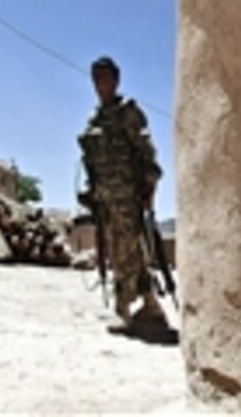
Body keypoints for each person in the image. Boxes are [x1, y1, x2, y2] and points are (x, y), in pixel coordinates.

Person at [77, 55, 167, 333]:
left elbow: (146, 151)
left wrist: (149, 186)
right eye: (96, 78)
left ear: (116, 80)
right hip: (104, 197)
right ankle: (151, 305)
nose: (100, 83)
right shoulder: (95, 118)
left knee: (124, 250)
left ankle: (123, 308)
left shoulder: (127, 112)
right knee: (123, 250)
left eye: (105, 77)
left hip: (128, 194)